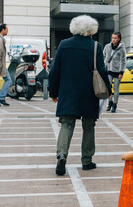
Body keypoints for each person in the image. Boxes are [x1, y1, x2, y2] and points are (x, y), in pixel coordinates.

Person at [49, 15, 111, 176]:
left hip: (68, 92)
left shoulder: (64, 44)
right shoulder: (96, 46)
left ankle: (62, 155)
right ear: (92, 29)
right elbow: (102, 72)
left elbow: (55, 70)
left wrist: (53, 92)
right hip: (88, 93)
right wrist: (108, 91)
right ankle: (87, 161)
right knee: (89, 126)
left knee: (66, 125)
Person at [103, 32, 126, 113]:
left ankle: (115, 105)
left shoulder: (121, 48)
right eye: (112, 38)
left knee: (116, 89)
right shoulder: (107, 46)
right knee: (108, 88)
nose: (113, 40)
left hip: (117, 71)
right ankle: (110, 103)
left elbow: (123, 61)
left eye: (115, 38)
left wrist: (121, 72)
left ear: (119, 39)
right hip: (108, 70)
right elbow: (104, 56)